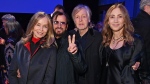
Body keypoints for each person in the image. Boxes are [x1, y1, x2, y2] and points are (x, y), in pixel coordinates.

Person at [100, 3, 143, 84]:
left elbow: (144, 70)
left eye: (120, 16)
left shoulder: (135, 41)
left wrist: (138, 65)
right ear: (108, 21)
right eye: (112, 17)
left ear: (125, 20)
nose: (115, 20)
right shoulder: (104, 40)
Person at [8, 11, 57, 84]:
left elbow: (49, 79)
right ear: (32, 25)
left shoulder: (51, 50)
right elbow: (12, 72)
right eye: (38, 25)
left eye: (45, 26)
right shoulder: (20, 45)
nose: (41, 29)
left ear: (48, 30)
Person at [51, 11, 87, 84]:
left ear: (66, 26)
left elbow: (82, 69)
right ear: (51, 24)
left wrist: (74, 54)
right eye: (56, 22)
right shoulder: (46, 43)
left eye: (62, 23)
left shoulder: (73, 43)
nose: (59, 25)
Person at [71, 4, 102, 84]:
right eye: (77, 17)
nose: (80, 20)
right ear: (74, 20)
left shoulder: (98, 37)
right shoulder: (70, 37)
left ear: (89, 19)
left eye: (84, 16)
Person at [132, 0, 150, 83]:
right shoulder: (147, 24)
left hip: (133, 70)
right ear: (147, 6)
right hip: (146, 72)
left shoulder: (132, 22)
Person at [0, 14, 16, 84]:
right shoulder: (1, 31)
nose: (3, 24)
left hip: (12, 64)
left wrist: (5, 42)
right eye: (2, 22)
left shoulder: (16, 32)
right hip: (3, 61)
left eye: (4, 22)